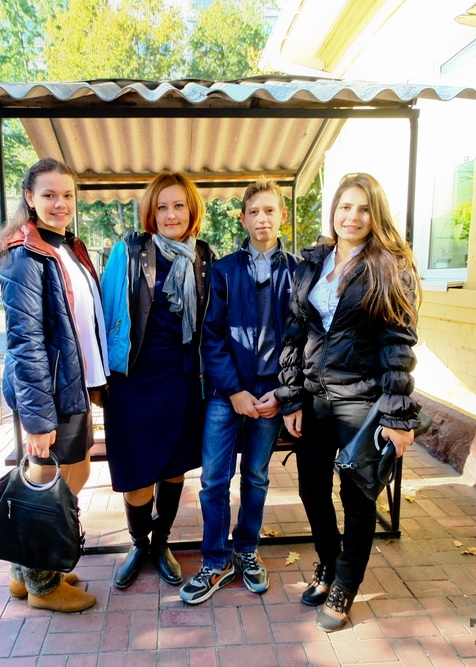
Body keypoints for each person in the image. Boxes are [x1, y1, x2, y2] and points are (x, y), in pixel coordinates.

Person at [276, 173, 421, 632]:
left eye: (363, 209)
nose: (352, 217)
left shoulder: (388, 267)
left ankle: (345, 585)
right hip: (315, 398)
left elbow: (398, 344)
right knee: (310, 489)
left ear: (375, 216)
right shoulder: (313, 263)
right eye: (345, 206)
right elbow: (295, 333)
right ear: (333, 210)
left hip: (363, 398)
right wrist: (292, 397)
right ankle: (327, 561)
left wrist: (397, 415)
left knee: (357, 498)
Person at [0, 157, 108, 613]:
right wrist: (38, 422)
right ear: (29, 198)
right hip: (48, 392)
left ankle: (26, 570)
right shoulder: (25, 253)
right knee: (49, 480)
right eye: (49, 195)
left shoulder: (67, 245)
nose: (60, 204)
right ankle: (42, 584)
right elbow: (25, 341)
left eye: (67, 195)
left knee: (75, 473)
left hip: (71, 385)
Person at [179, 178, 299, 604]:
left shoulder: (298, 272)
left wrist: (282, 393)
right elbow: (210, 337)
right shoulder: (225, 270)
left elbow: (301, 339)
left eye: (269, 210)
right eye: (253, 212)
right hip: (225, 395)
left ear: (282, 216)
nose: (261, 218)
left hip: (271, 395)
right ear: (243, 219)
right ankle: (215, 559)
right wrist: (232, 391)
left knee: (256, 476)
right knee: (214, 478)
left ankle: (247, 549)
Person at [100, 171, 216, 590]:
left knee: (173, 468)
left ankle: (161, 543)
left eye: (178, 205)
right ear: (150, 212)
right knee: (136, 473)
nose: (170, 215)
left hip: (182, 380)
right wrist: (99, 380)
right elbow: (105, 316)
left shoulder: (204, 256)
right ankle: (139, 544)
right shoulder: (128, 251)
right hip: (132, 383)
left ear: (191, 210)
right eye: (162, 207)